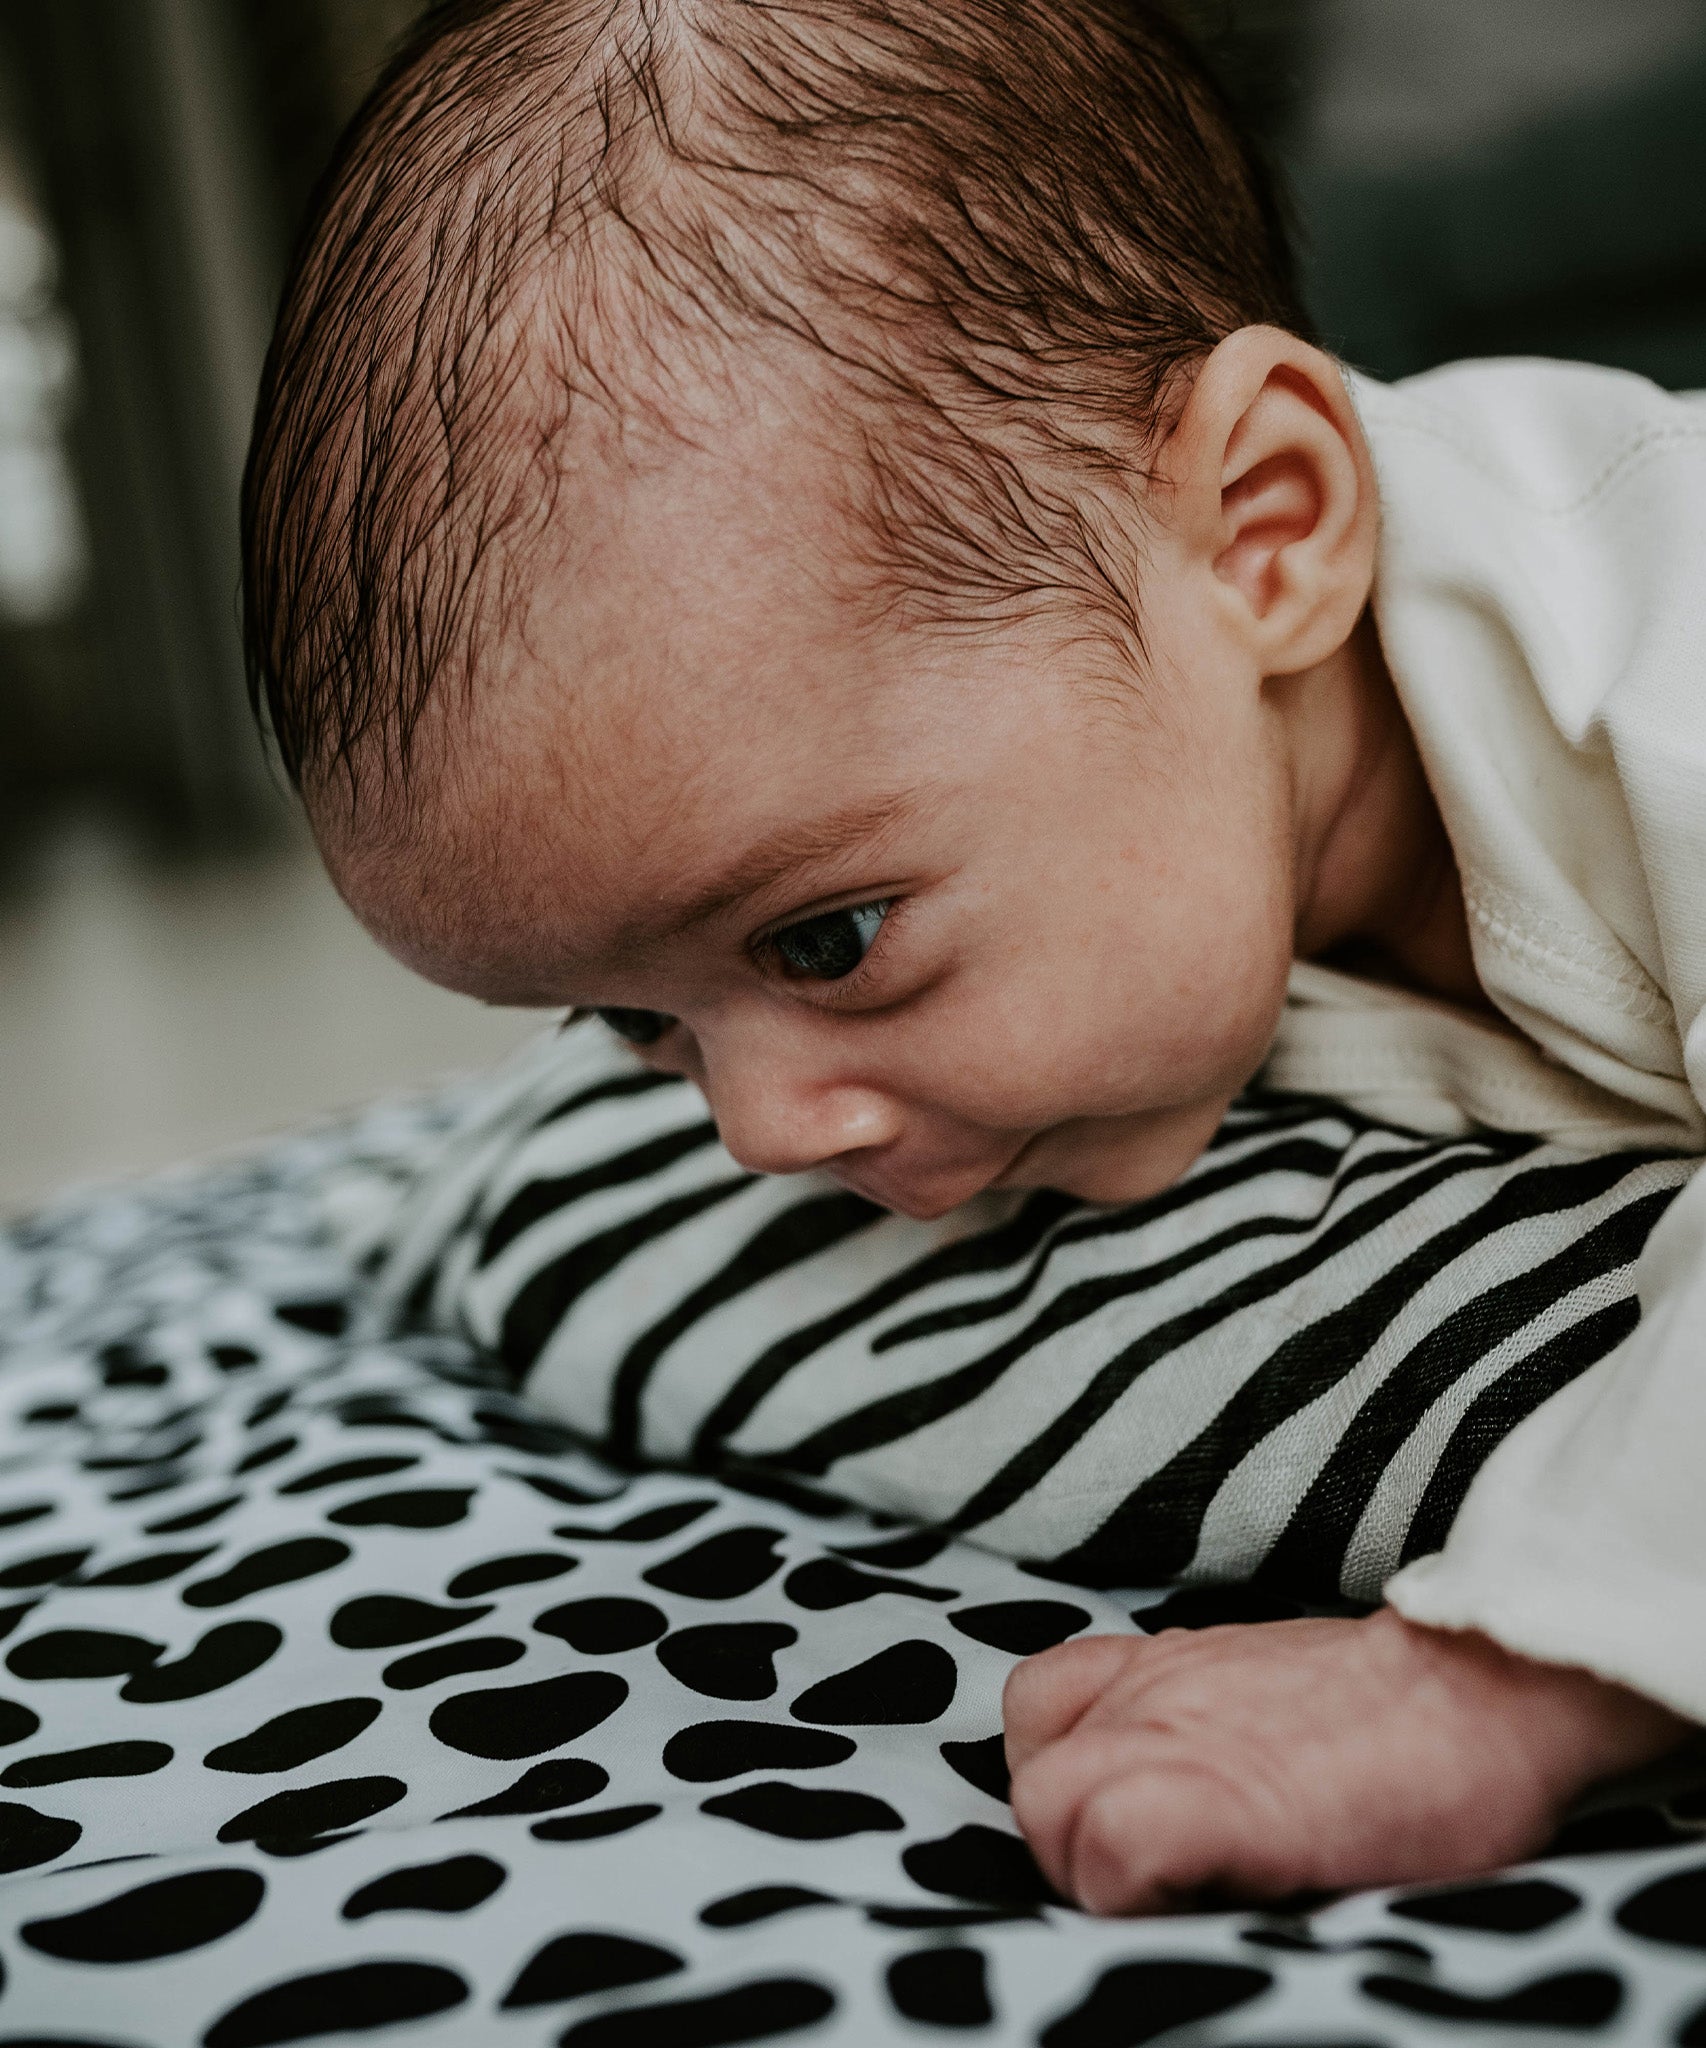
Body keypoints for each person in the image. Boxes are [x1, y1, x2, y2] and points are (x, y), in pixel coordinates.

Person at [241, 0, 1706, 1912]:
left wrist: (1502, 1675)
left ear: (1265, 535)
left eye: (827, 939)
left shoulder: (1657, 670)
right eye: (636, 1020)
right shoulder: (1127, 804)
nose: (760, 1135)